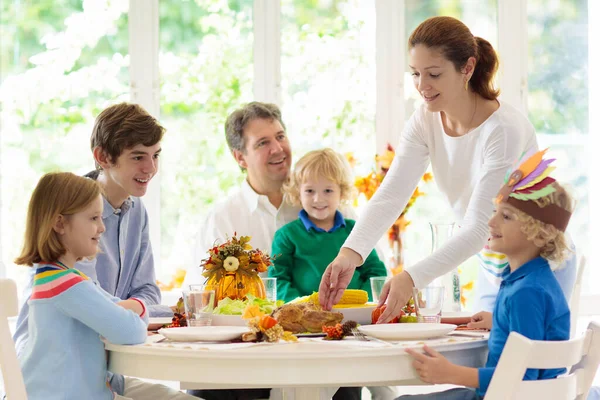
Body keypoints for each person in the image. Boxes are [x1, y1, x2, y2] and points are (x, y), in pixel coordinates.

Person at [317, 16, 572, 322]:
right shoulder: (424, 120)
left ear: (467, 68)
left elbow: (478, 227)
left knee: (518, 365)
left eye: (434, 74)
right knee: (482, 356)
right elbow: (392, 194)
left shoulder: (502, 130)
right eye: (415, 74)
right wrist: (350, 254)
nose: (422, 86)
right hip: (495, 262)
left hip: (541, 263)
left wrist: (412, 277)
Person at [184, 103, 379, 400]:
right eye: (263, 143)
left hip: (322, 350)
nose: (278, 148)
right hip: (246, 358)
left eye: (280, 136)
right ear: (240, 157)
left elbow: (367, 267)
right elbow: (202, 300)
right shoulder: (223, 218)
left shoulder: (324, 201)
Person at [12, 103, 187, 400]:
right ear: (103, 157)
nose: (151, 168)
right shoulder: (73, 220)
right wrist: (140, 311)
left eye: (155, 155)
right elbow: (98, 304)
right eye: (138, 157)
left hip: (101, 375)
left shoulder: (137, 211)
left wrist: (131, 309)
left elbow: (144, 291)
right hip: (61, 381)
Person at [397, 150, 573, 399]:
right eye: (495, 212)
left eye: (506, 216)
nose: (491, 223)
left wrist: (449, 373)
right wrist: (501, 321)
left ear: (540, 233)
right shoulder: (532, 282)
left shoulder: (526, 293)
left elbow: (522, 379)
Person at [270, 148, 387, 303]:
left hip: (355, 313)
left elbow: (375, 272)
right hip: (307, 315)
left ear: (342, 192)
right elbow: (278, 279)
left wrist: (362, 302)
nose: (318, 199)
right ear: (298, 193)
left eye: (328, 190)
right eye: (310, 191)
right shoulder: (286, 235)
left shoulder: (355, 231)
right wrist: (301, 304)